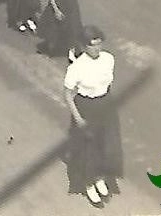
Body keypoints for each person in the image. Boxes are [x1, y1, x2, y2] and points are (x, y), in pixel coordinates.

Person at [64, 26, 123, 207]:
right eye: (92, 45)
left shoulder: (108, 59)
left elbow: (107, 84)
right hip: (86, 107)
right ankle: (89, 184)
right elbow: (68, 94)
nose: (97, 49)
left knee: (106, 144)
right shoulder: (77, 67)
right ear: (83, 46)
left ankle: (99, 178)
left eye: (99, 44)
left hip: (105, 104)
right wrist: (79, 119)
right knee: (88, 149)